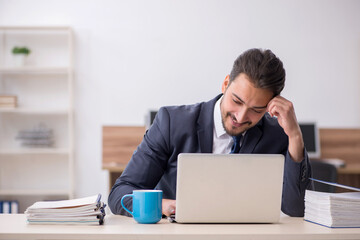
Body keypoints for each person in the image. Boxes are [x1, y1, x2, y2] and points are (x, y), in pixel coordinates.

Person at [108, 48, 311, 217]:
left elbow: (297, 209)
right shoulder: (172, 122)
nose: (240, 117)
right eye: (237, 101)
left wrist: (295, 136)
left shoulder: (276, 135)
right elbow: (120, 194)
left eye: (256, 110)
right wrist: (163, 206)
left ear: (268, 107)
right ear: (225, 84)